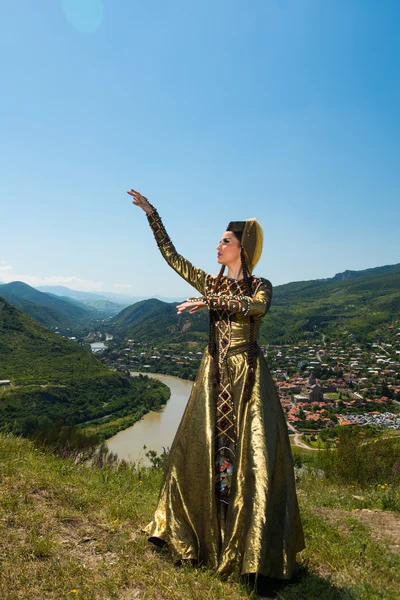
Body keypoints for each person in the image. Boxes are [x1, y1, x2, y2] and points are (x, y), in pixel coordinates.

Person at [127, 188, 305, 580]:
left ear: (243, 248)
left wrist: (212, 302)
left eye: (226, 241)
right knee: (200, 451)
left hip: (248, 380)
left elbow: (257, 308)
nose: (218, 246)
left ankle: (252, 552)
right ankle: (203, 539)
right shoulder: (211, 281)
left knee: (252, 459)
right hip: (213, 377)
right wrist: (152, 214)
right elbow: (172, 257)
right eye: (219, 240)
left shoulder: (261, 285)